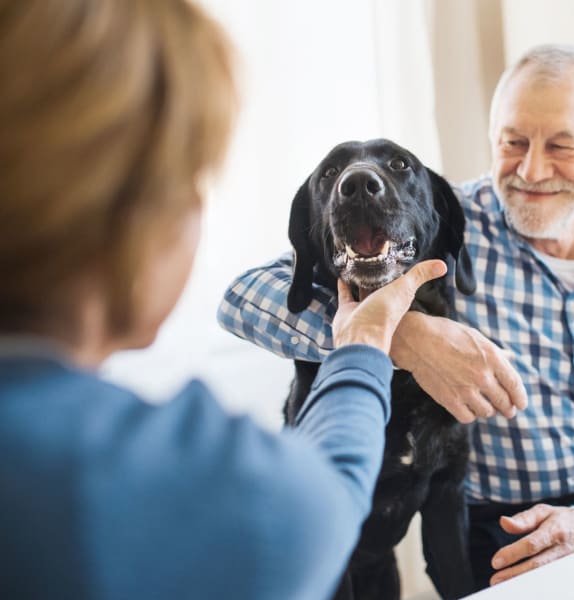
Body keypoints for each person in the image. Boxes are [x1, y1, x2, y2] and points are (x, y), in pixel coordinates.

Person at [0, 1, 449, 599]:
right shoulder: (193, 481)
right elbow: (321, 505)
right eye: (191, 179)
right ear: (139, 216)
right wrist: (369, 343)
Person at [217, 44, 574, 590]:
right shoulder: (439, 220)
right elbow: (243, 298)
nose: (531, 169)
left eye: (561, 145)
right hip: (492, 531)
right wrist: (404, 336)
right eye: (513, 142)